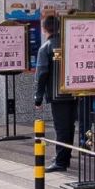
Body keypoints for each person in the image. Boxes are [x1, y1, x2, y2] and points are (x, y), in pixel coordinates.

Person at [33, 14, 75, 172]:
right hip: (73, 91)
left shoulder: (46, 47)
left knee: (61, 128)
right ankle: (64, 157)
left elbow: (42, 74)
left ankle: (61, 162)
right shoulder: (69, 44)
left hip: (57, 94)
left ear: (44, 29)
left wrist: (38, 97)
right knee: (69, 127)